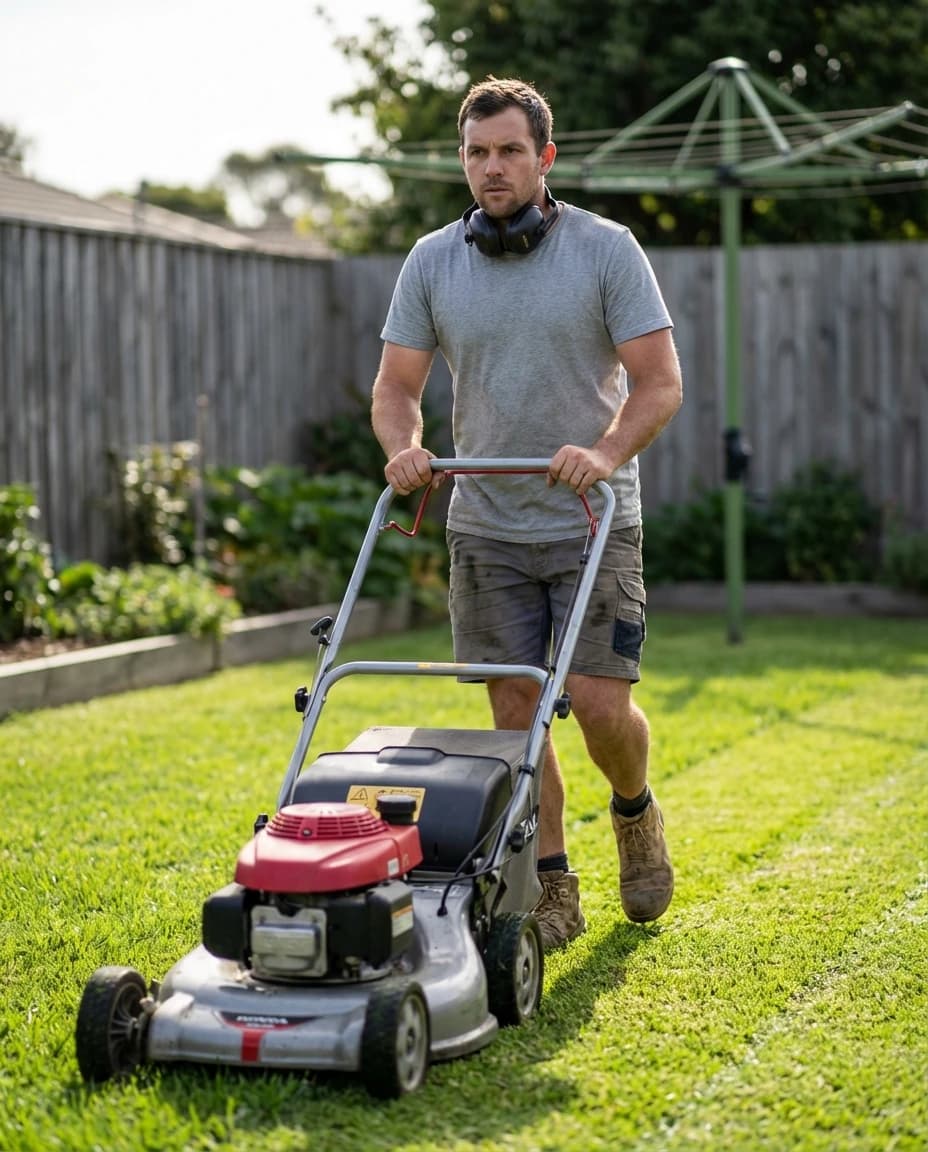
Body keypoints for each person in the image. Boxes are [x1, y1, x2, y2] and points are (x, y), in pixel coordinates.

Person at [371, 76, 683, 951]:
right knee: (516, 714)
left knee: (595, 704)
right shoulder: (433, 259)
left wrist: (607, 453)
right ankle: (552, 884)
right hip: (486, 523)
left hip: (592, 520)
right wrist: (404, 446)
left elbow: (660, 383)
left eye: (510, 151)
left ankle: (634, 809)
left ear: (545, 158)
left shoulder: (606, 249)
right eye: (477, 153)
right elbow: (397, 387)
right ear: (461, 161)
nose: (492, 168)